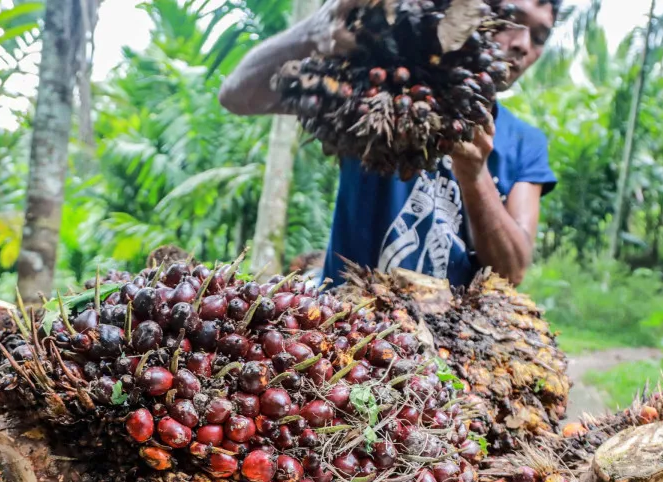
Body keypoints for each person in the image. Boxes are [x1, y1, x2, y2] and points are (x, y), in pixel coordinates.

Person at [219, 0, 561, 287]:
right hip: (347, 330)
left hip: (448, 344)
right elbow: (238, 95)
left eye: (540, 36)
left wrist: (474, 176)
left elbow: (512, 271)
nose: (522, 44)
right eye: (513, 18)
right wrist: (314, 31)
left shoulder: (525, 143)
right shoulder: (380, 90)